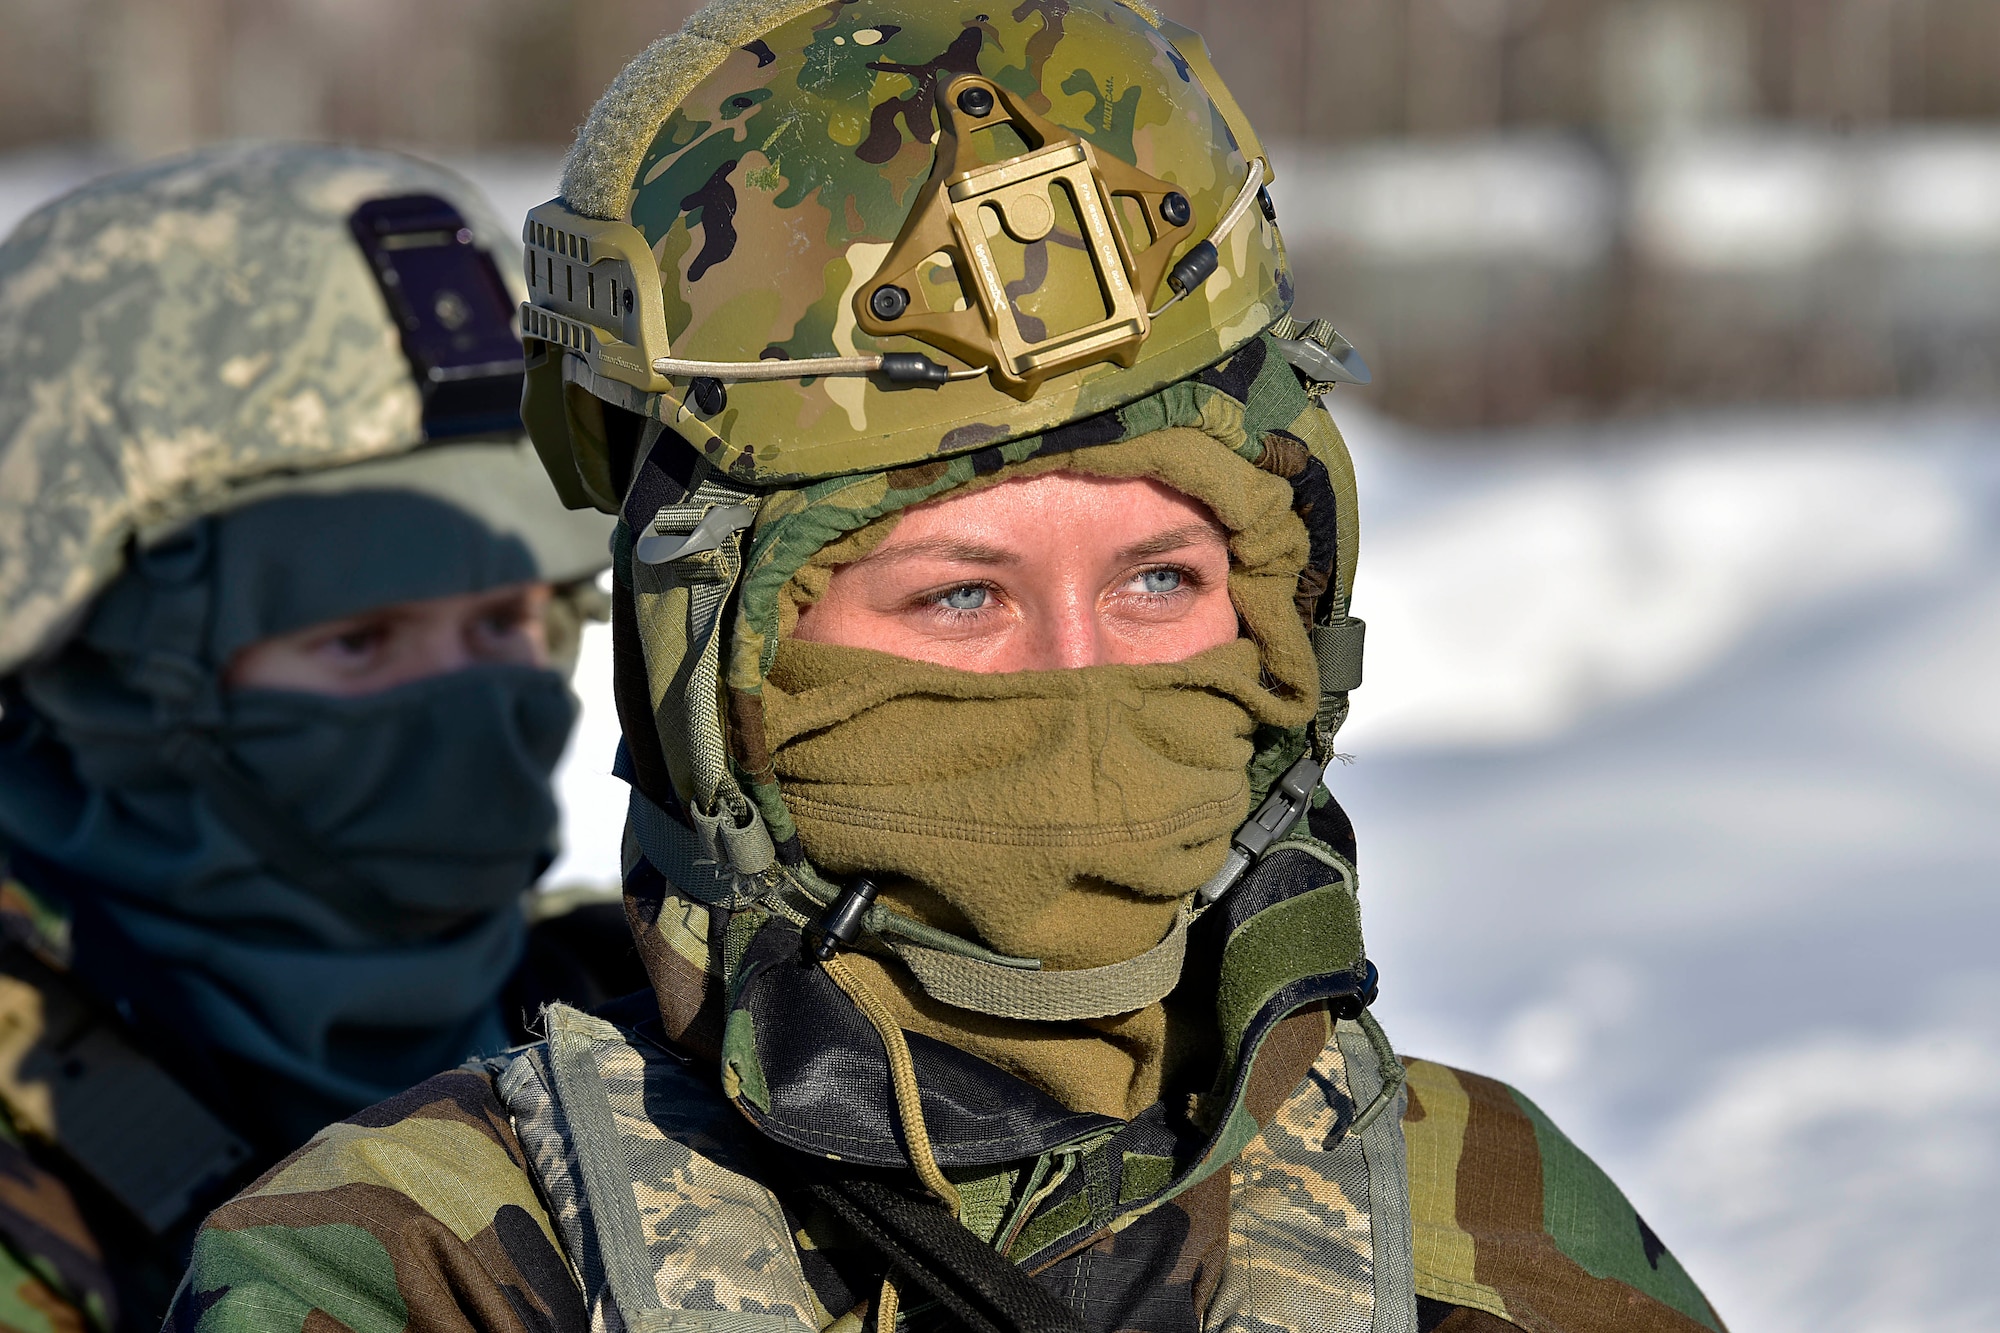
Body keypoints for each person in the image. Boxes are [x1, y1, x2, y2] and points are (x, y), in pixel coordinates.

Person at [169, 7, 1728, 1333]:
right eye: (959, 596)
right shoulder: (416, 1263)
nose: (1078, 684)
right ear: (725, 682)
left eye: (1160, 578)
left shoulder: (1491, 1214)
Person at [0, 143, 645, 1331]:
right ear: (117, 675)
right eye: (362, 639)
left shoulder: (655, 1031)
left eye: (507, 618)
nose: (469, 701)